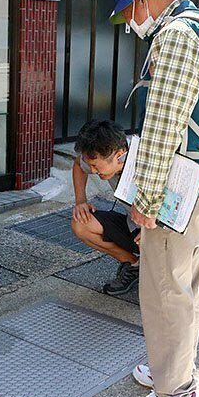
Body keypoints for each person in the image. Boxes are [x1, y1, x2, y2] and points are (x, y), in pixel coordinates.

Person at [109, 0, 199, 397]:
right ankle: (170, 367)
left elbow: (161, 130)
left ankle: (174, 396)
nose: (131, 23)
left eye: (128, 11)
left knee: (164, 290)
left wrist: (146, 199)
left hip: (180, 185)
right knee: (183, 285)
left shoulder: (176, 36)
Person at [71, 119, 140, 295]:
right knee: (81, 223)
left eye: (95, 166)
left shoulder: (146, 162)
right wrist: (80, 201)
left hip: (159, 232)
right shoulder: (102, 158)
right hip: (133, 226)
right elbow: (79, 164)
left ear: (119, 155)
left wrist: (151, 230)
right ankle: (134, 265)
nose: (93, 171)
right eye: (91, 165)